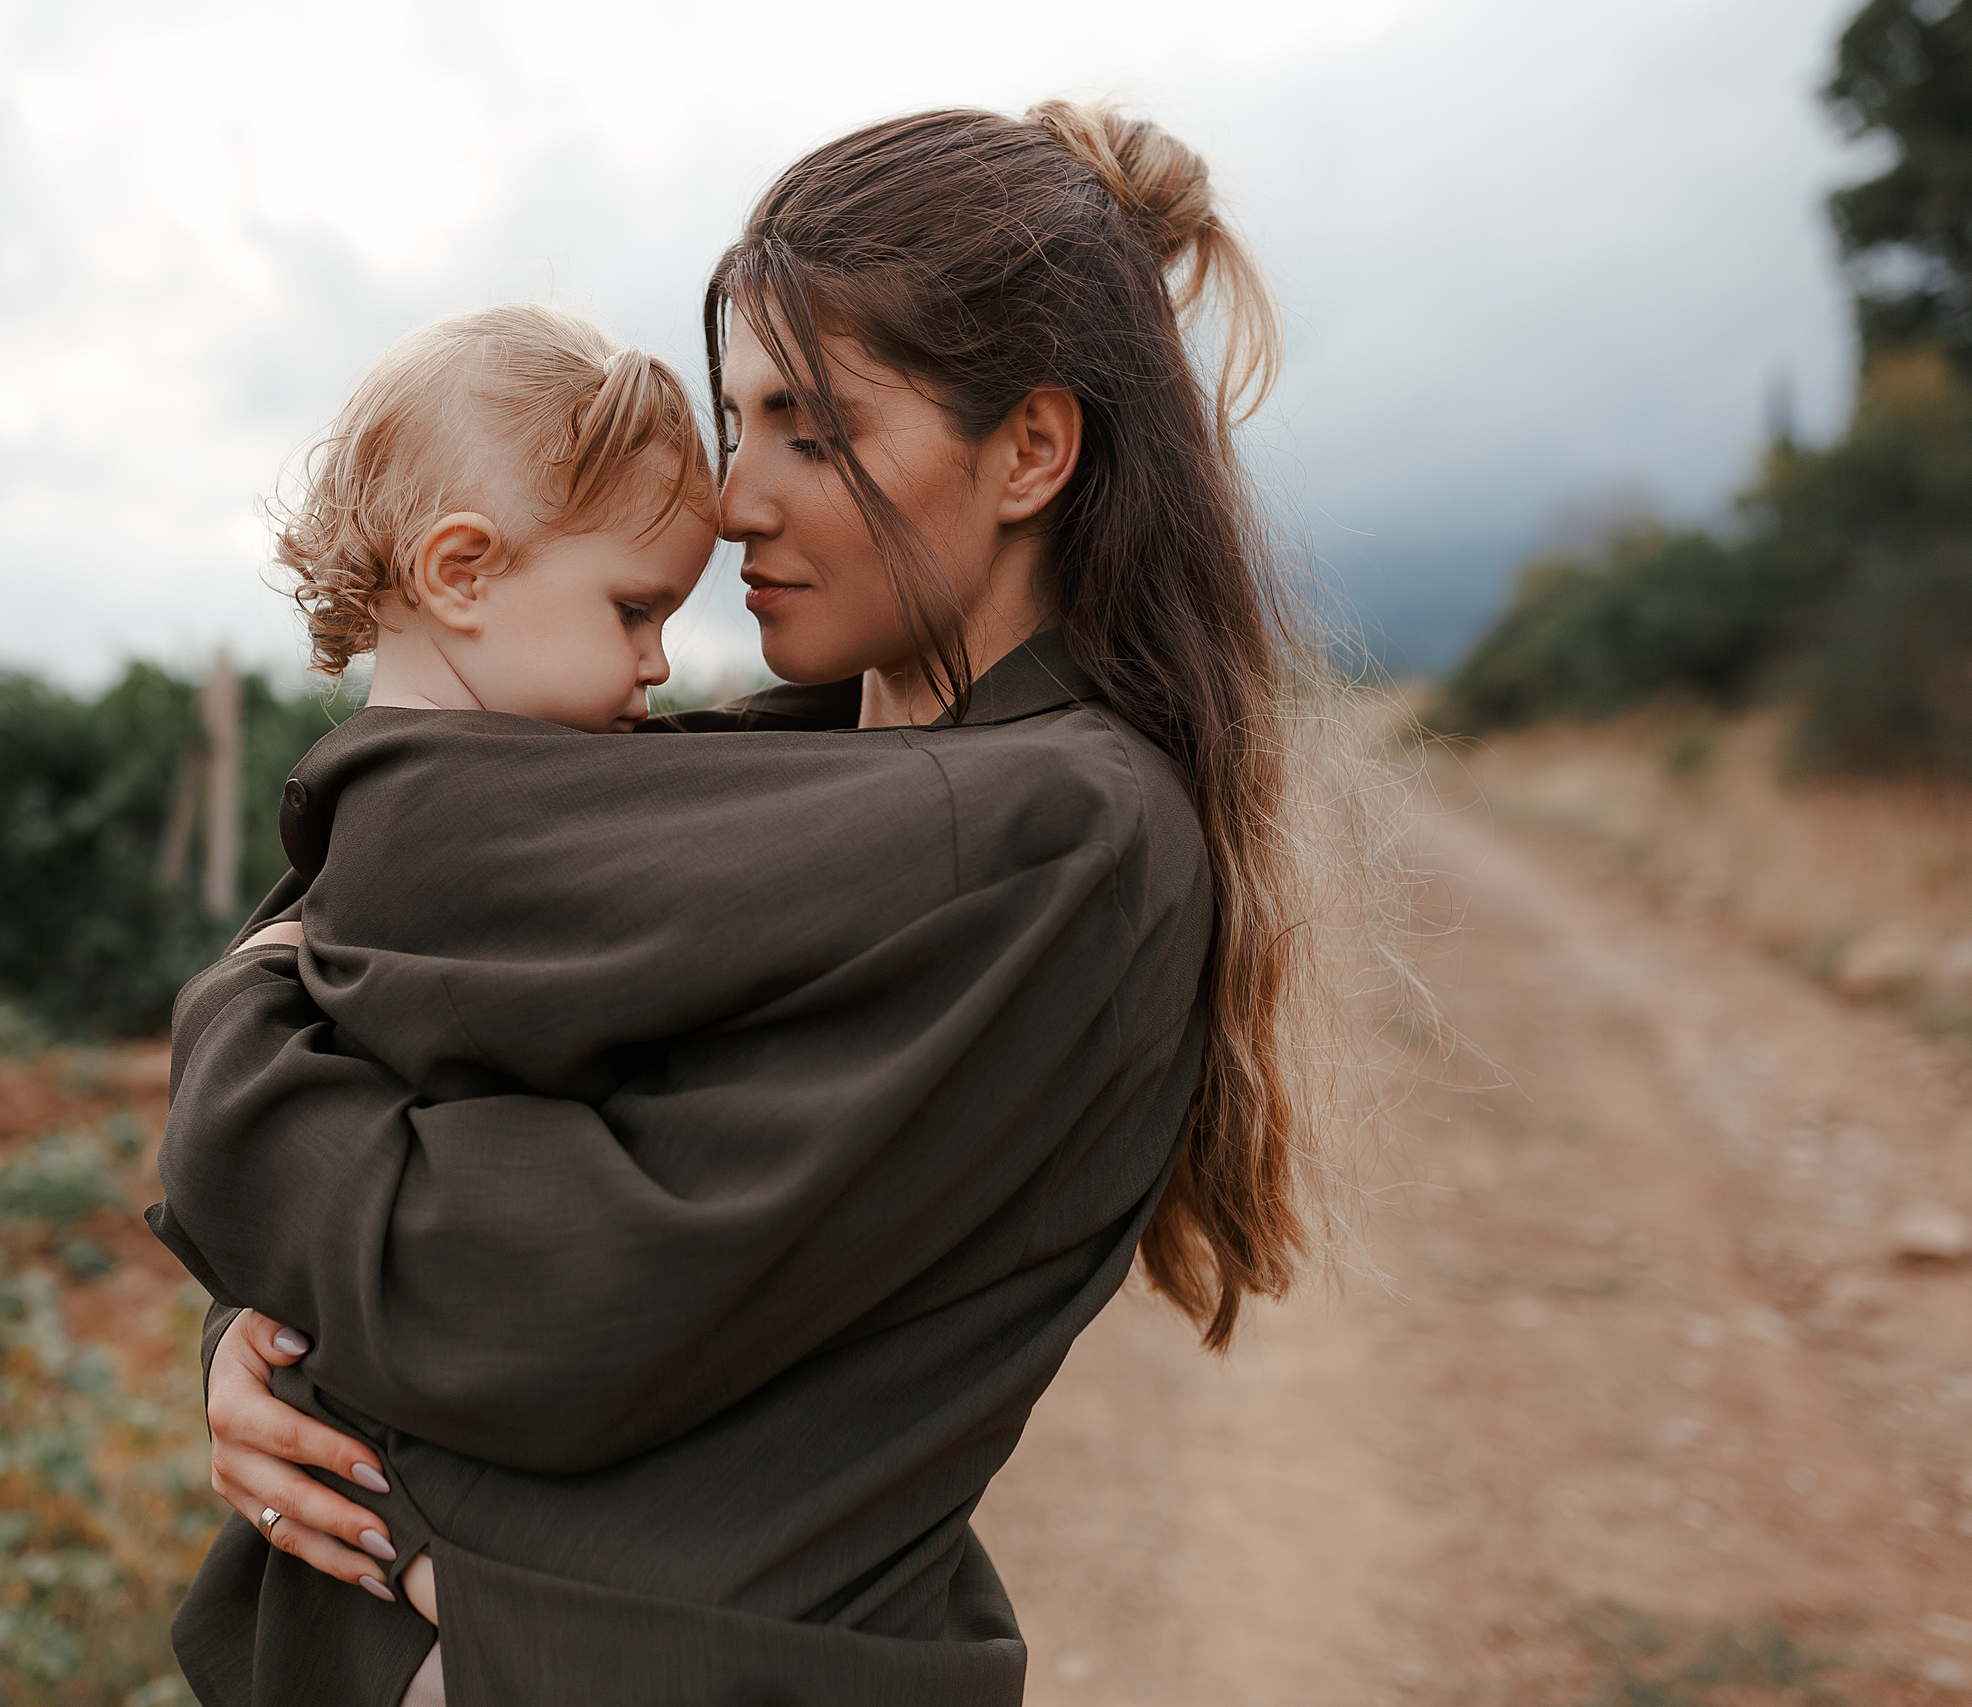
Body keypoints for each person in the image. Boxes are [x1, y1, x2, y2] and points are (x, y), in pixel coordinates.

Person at [150, 98, 1350, 1707]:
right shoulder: (800, 767)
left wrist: (228, 1027)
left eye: (813, 428)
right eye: (738, 425)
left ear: (1033, 452)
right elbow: (424, 1029)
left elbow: (539, 1291)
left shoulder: (1061, 835)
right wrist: (257, 1335)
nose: (735, 501)